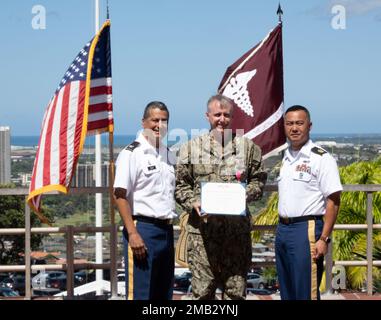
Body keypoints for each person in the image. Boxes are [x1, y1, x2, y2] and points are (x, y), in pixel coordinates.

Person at [175, 94, 267, 300]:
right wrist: (193, 202)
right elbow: (180, 186)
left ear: (232, 117)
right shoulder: (190, 148)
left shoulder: (248, 148)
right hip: (202, 236)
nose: (222, 120)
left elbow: (259, 181)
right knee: (202, 294)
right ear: (207, 116)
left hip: (236, 236)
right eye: (217, 114)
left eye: (226, 115)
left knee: (235, 294)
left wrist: (244, 194)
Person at [276, 105, 342, 300]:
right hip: (283, 229)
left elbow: (334, 200)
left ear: (309, 126)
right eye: (289, 124)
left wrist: (324, 239)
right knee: (287, 290)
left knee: (307, 291)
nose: (294, 128)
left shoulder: (321, 158)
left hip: (306, 230)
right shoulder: (286, 157)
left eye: (299, 123)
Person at [113, 101, 177, 300]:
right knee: (141, 295)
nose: (159, 125)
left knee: (162, 295)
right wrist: (132, 233)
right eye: (154, 120)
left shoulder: (168, 153)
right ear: (144, 122)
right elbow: (119, 195)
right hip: (143, 230)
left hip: (166, 231)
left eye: (164, 121)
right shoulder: (132, 153)